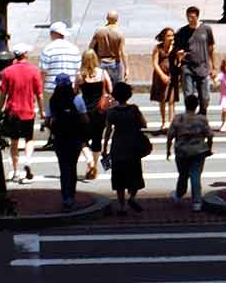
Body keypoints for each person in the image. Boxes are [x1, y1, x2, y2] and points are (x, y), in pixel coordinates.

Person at [102, 81, 149, 214]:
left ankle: (122, 206)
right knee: (134, 174)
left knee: (119, 178)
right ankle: (132, 197)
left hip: (118, 147)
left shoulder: (112, 112)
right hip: (133, 146)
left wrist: (105, 148)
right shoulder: (134, 109)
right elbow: (143, 124)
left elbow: (108, 131)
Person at [0, 44, 44, 184]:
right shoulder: (34, 71)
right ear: (25, 55)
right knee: (29, 139)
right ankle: (28, 161)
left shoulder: (7, 72)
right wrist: (42, 111)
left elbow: (3, 93)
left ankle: (15, 170)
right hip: (28, 111)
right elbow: (39, 94)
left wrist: (0, 108)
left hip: (12, 111)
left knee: (14, 141)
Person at [166, 90, 213, 210]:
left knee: (183, 175)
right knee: (195, 175)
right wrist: (209, 147)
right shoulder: (202, 119)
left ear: (185, 104)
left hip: (181, 151)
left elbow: (170, 135)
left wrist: (168, 150)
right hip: (199, 151)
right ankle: (196, 202)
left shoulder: (178, 119)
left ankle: (179, 194)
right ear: (196, 105)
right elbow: (210, 135)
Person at [46, 76, 86, 211]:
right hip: (75, 138)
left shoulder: (53, 100)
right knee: (72, 167)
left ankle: (65, 197)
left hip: (60, 138)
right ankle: (71, 196)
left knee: (63, 168)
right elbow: (85, 118)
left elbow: (48, 121)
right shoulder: (77, 99)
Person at [173, 6, 217, 115]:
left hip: (203, 67)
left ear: (197, 17)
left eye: (192, 17)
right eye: (188, 17)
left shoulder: (206, 29)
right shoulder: (182, 32)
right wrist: (179, 55)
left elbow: (211, 48)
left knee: (205, 97)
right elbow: (177, 49)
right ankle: (190, 117)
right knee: (189, 95)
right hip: (187, 67)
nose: (190, 19)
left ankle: (202, 115)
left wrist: (213, 66)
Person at [76, 49, 111, 180]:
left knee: (82, 139)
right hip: (100, 111)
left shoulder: (80, 75)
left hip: (85, 111)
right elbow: (110, 89)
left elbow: (75, 91)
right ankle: (94, 166)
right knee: (97, 139)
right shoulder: (102, 73)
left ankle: (89, 161)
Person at [149, 26, 178, 133]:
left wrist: (179, 58)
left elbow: (178, 63)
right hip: (160, 75)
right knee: (162, 99)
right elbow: (155, 63)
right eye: (168, 36)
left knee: (171, 100)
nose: (171, 38)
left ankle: (171, 122)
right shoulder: (158, 48)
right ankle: (163, 121)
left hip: (172, 75)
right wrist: (161, 75)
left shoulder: (175, 48)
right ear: (164, 37)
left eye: (172, 35)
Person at [88, 11, 127, 87]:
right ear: (117, 19)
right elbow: (123, 52)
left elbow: (91, 48)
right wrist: (127, 69)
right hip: (115, 63)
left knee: (101, 86)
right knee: (116, 87)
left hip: (101, 62)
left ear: (107, 18)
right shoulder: (120, 33)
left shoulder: (99, 32)